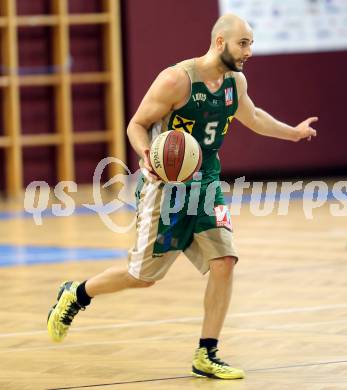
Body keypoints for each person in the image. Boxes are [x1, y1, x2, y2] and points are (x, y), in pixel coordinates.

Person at [47, 14, 317, 380]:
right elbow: (136, 125)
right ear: (220, 42)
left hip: (206, 184)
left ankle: (207, 353)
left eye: (251, 43)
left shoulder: (235, 82)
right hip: (166, 189)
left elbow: (252, 116)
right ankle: (76, 294)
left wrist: (293, 134)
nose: (249, 51)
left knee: (225, 260)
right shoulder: (177, 79)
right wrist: (147, 156)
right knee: (141, 277)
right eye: (243, 43)